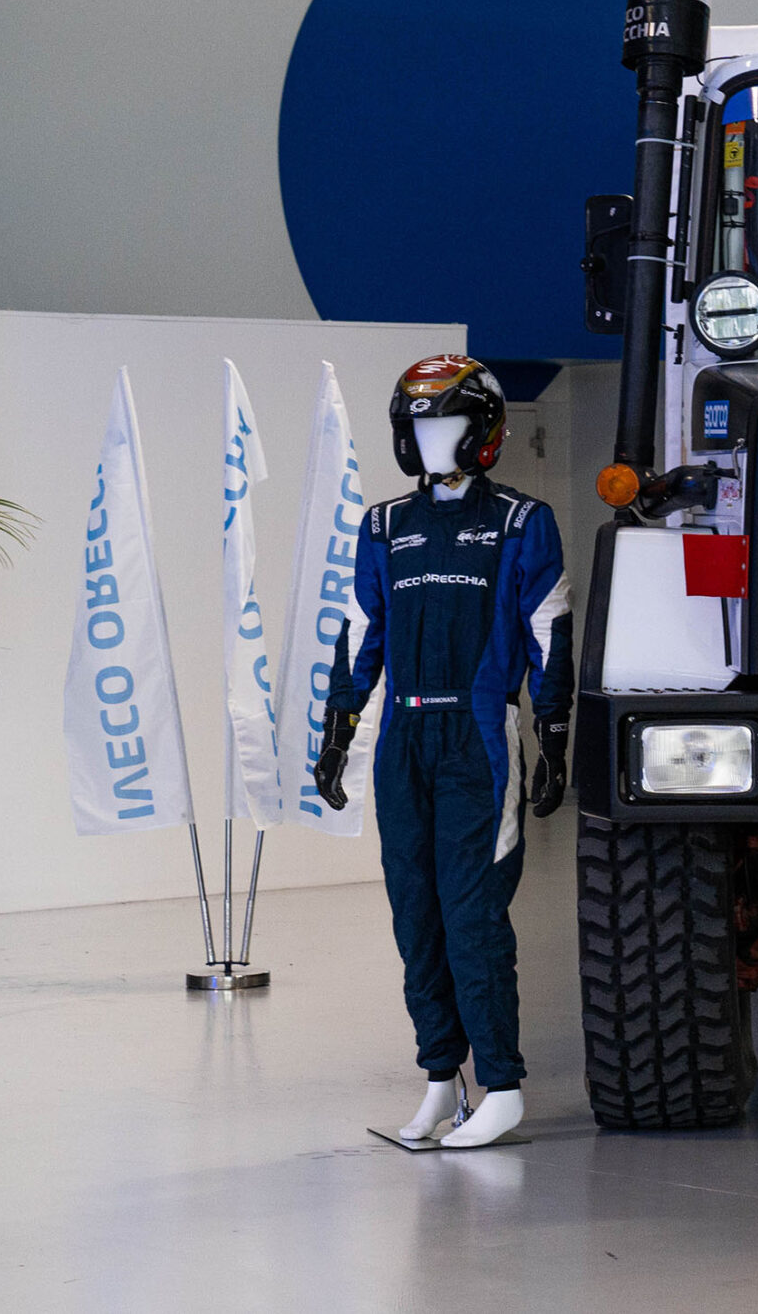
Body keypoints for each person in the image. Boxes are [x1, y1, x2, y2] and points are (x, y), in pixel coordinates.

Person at [315, 355, 573, 1148]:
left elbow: (550, 631)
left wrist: (552, 731)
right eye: (418, 425)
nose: (430, 439)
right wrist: (337, 729)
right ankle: (439, 1077)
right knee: (416, 917)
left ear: (484, 430)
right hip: (403, 741)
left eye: (448, 422)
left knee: (472, 918)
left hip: (478, 740)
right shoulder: (383, 526)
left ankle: (502, 1084)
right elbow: (362, 633)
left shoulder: (523, 523)